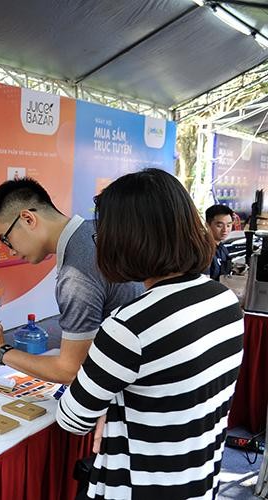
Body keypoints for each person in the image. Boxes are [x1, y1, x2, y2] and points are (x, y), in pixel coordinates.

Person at [56, 168, 244, 499]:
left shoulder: (129, 326)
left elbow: (73, 418)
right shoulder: (222, 298)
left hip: (140, 487)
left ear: (128, 240)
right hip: (201, 479)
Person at [0, 178, 143, 384]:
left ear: (28, 219)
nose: (10, 252)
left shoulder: (75, 276)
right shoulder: (97, 229)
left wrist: (0, 351)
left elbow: (71, 371)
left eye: (6, 239)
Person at [205, 204, 234, 280]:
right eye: (220, 226)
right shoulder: (203, 249)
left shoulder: (222, 248)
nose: (225, 230)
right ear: (207, 225)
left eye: (228, 225)